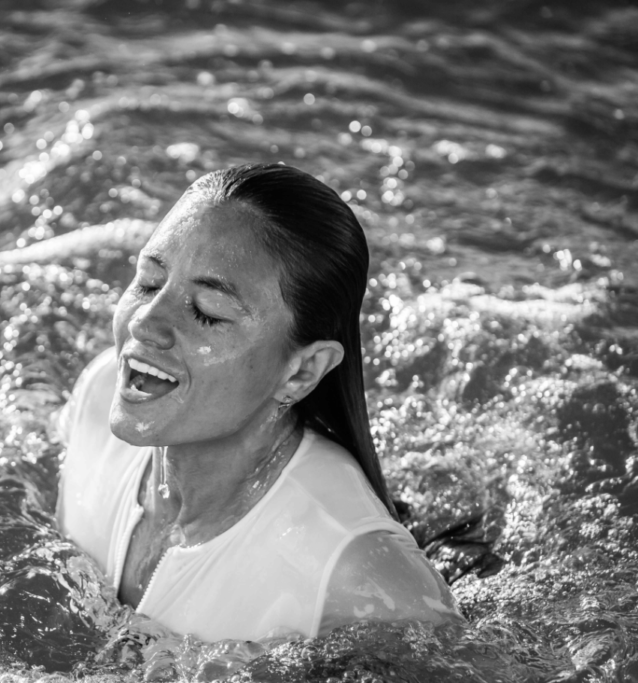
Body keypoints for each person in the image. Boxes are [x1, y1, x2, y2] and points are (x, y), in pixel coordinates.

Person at [56, 163, 462, 642]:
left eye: (207, 313)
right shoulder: (100, 391)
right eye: (148, 282)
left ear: (301, 371)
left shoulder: (358, 576)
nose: (144, 323)